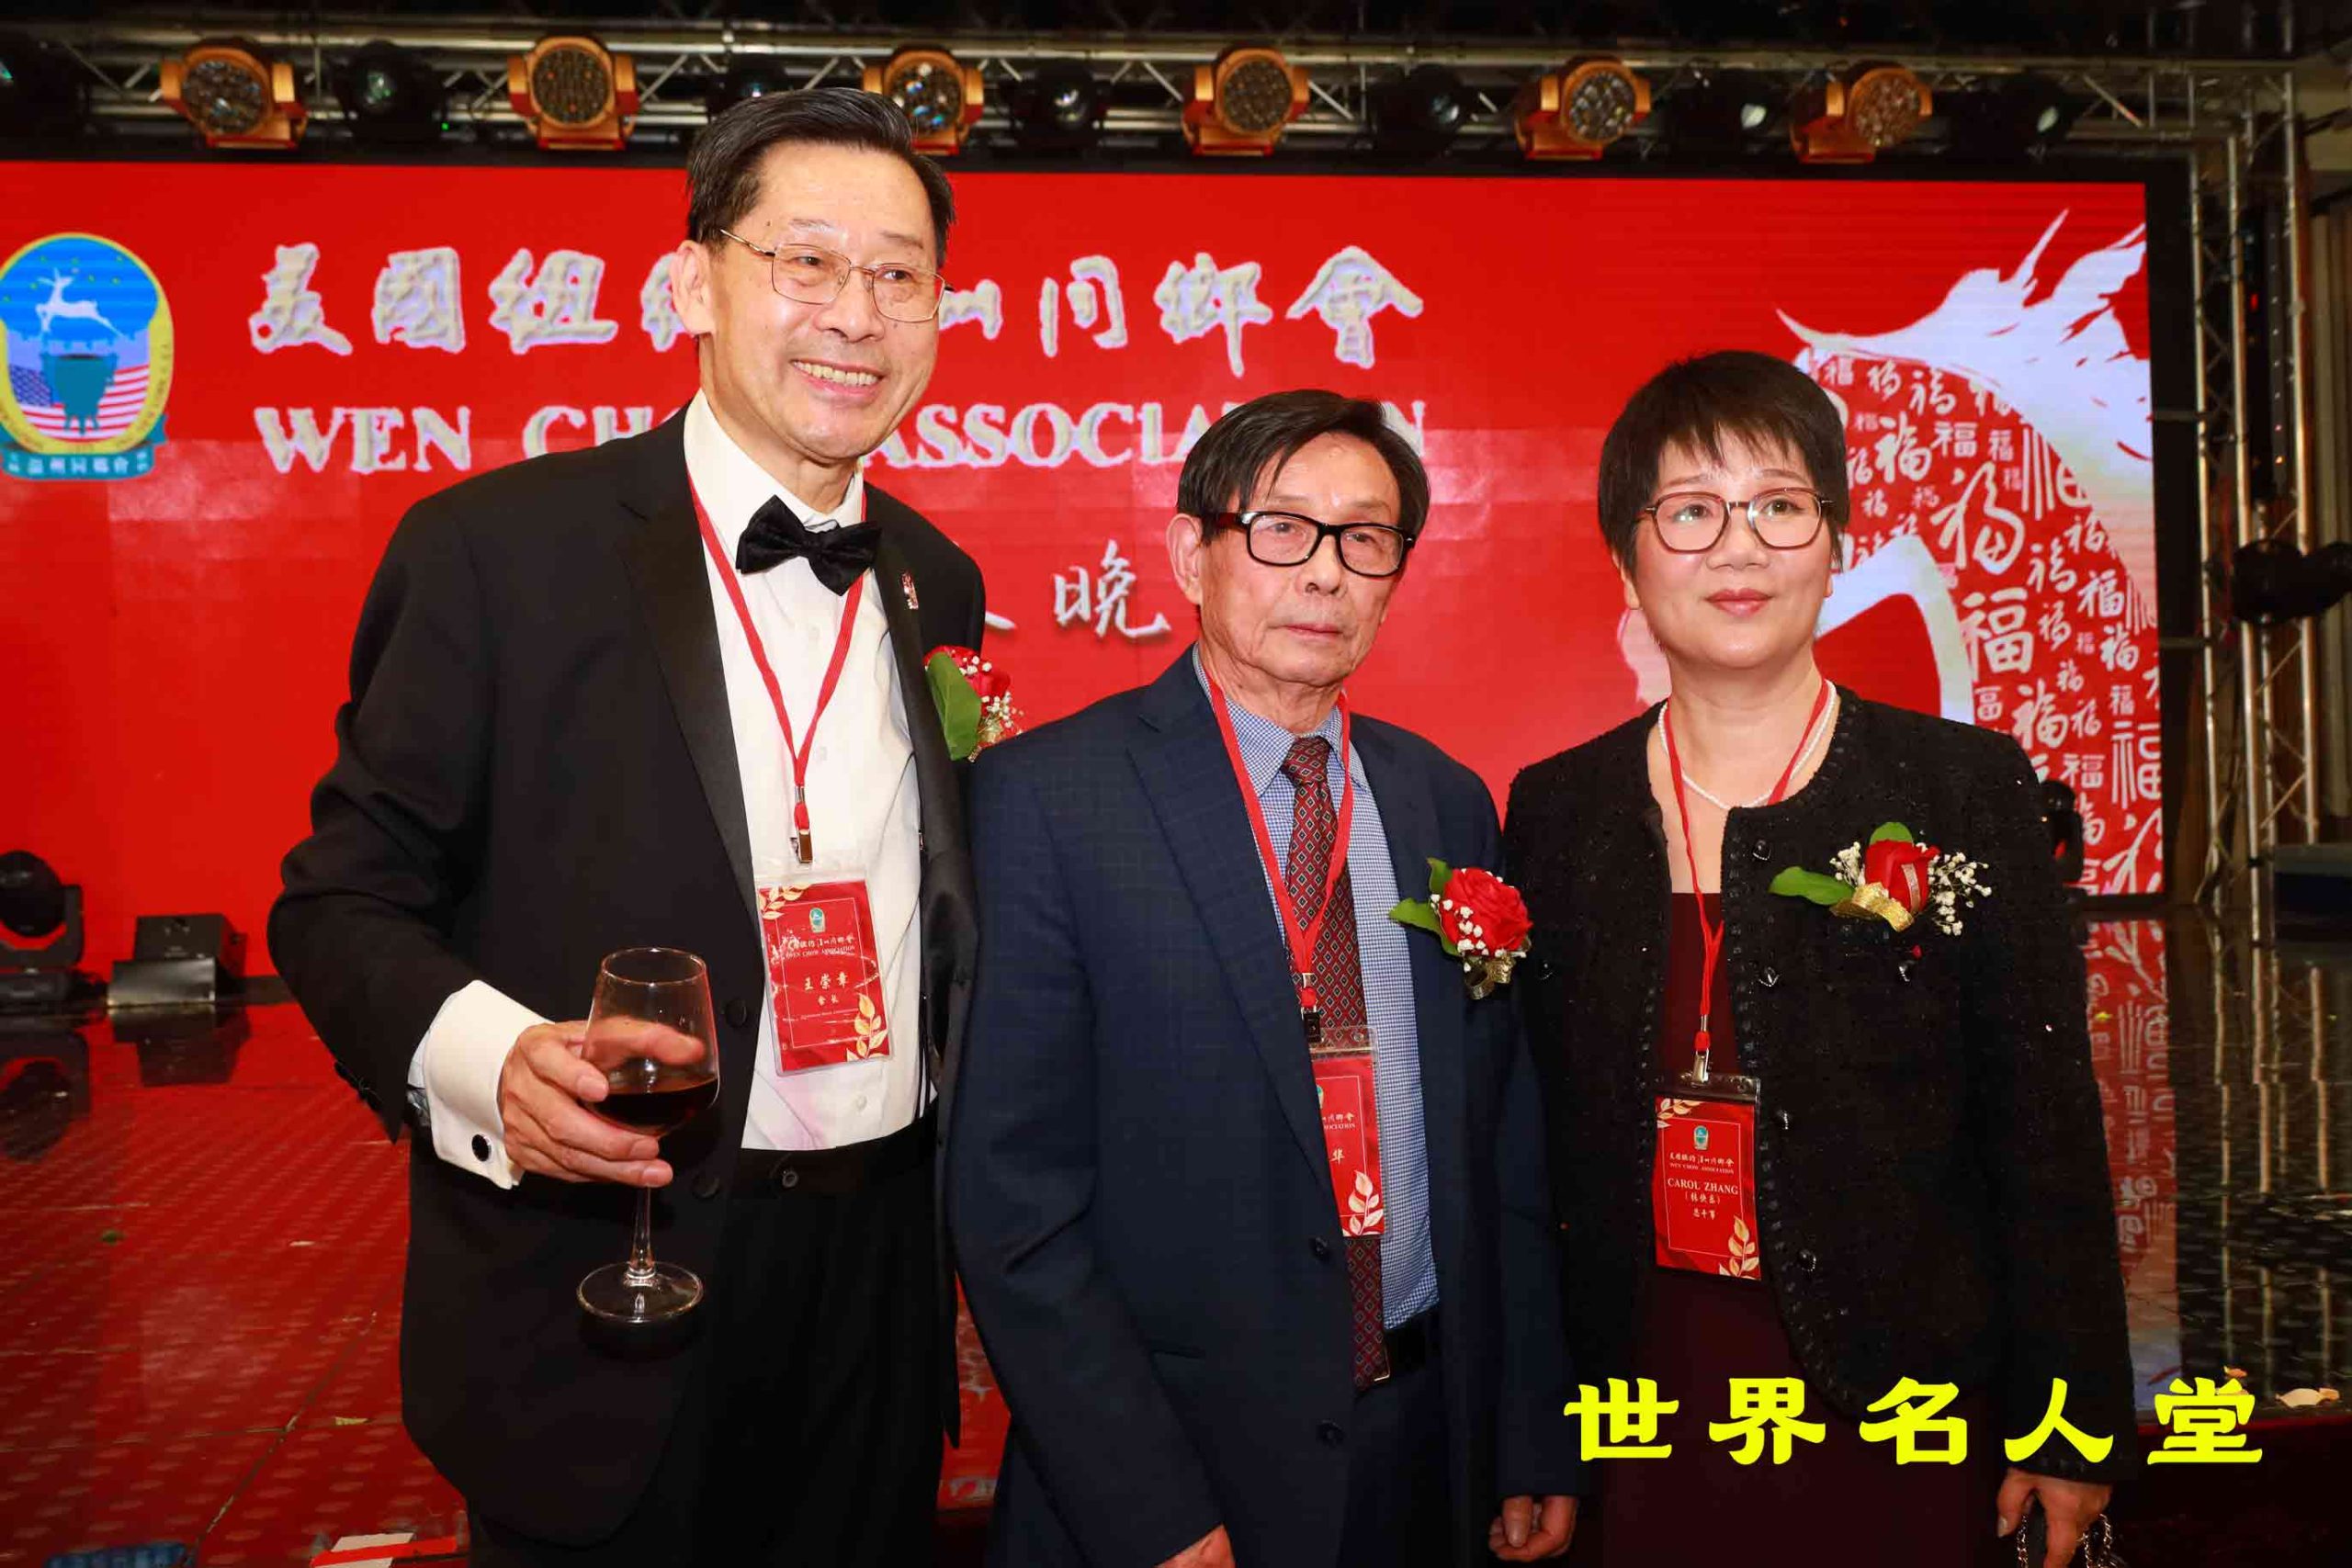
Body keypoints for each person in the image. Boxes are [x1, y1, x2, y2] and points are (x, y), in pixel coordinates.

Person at [270, 88, 985, 1566]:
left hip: (875, 1287)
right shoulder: (495, 551)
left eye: (899, 274)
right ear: (693, 284)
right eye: (806, 261)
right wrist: (488, 1061)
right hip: (610, 1271)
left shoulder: (936, 577)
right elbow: (340, 900)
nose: (857, 314)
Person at [1505, 352, 2132, 1568]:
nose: (1738, 547)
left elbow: (2046, 1131)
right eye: (1691, 511)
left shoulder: (1960, 786)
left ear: (1836, 541)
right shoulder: (1557, 810)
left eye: (1780, 505)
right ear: (1626, 558)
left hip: (1903, 1404)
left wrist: (2070, 1418)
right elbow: (1526, 1158)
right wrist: (1531, 1425)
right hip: (1642, 1402)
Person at [949, 390, 1579, 1568]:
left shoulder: (1444, 800)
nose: (1326, 572)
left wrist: (1525, 1429)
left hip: (1424, 1446)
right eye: (1283, 529)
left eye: (1365, 539)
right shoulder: (1050, 798)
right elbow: (1013, 1200)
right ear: (1192, 553)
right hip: (1173, 1465)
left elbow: (1502, 1150)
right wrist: (1148, 1509)